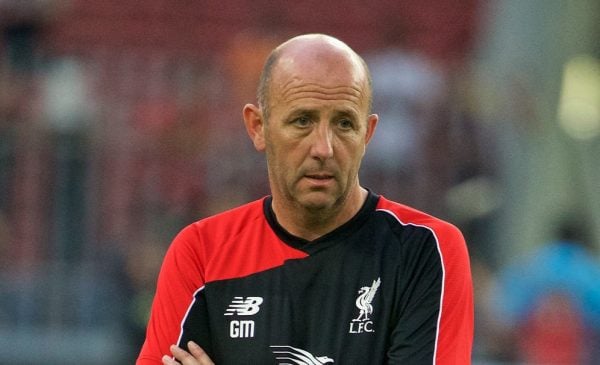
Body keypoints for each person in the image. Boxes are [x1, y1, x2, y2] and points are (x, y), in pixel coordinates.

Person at [137, 33, 473, 365]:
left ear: (367, 134)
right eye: (302, 121)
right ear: (258, 127)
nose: (323, 149)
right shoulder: (201, 251)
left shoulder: (425, 249)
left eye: (344, 123)